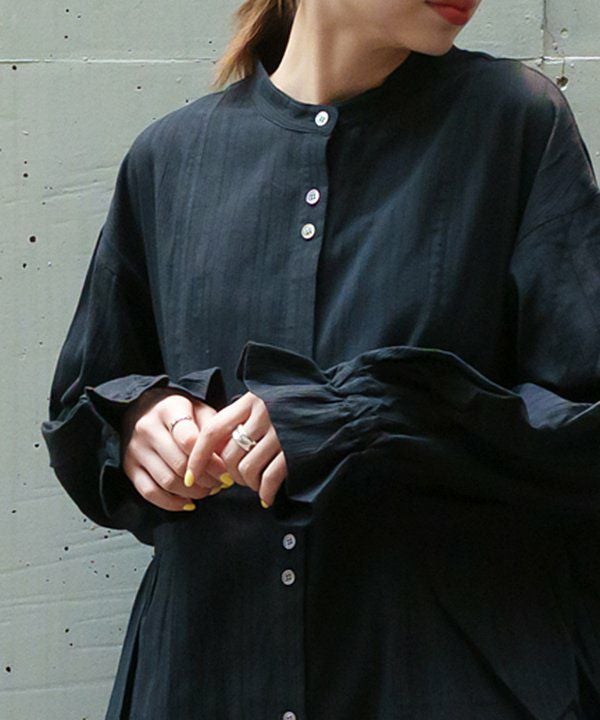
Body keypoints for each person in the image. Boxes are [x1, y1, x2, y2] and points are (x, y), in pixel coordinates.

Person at [40, 0, 600, 718]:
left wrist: (358, 417)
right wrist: (140, 421)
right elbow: (84, 401)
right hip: (207, 681)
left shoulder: (513, 126)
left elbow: (582, 426)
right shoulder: (170, 160)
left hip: (438, 683)